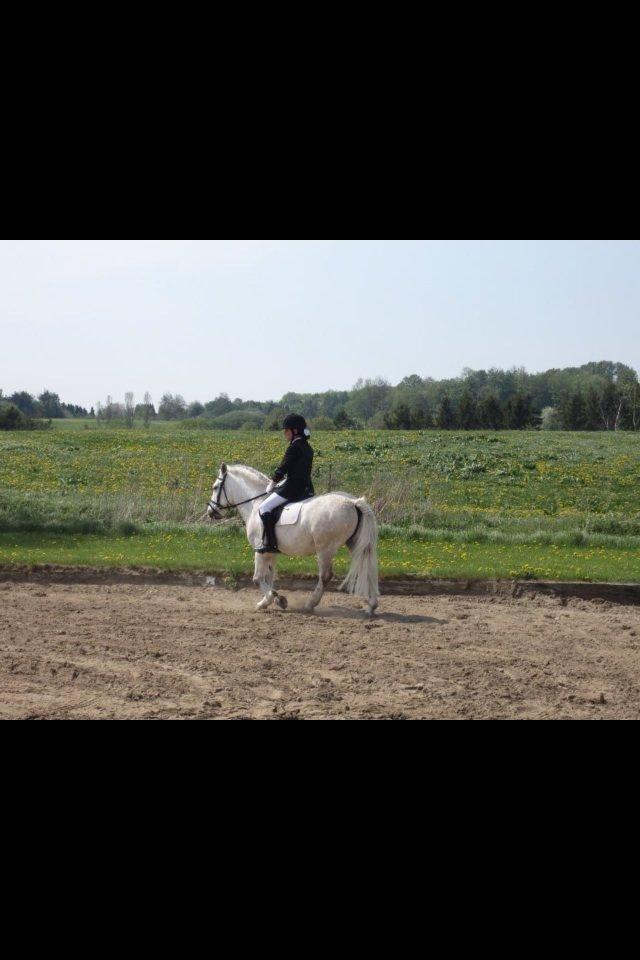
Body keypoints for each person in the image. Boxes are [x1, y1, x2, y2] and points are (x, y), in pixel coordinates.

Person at [257, 415, 315, 554]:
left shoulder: (294, 447)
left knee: (264, 507)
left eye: (286, 430)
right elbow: (299, 470)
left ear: (295, 431)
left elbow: (284, 467)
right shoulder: (308, 447)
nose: (284, 433)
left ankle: (270, 543)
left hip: (292, 489)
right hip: (307, 488)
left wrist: (273, 482)